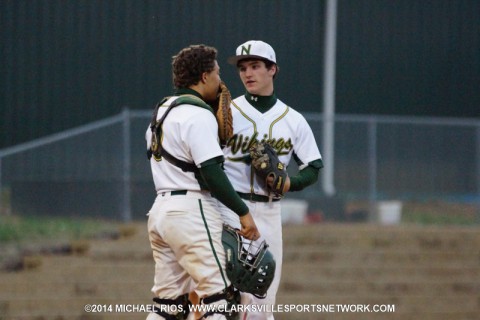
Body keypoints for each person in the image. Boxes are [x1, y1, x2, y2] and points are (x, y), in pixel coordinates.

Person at [145, 44, 260, 320]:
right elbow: (212, 173)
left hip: (160, 212)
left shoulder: (160, 114)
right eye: (218, 73)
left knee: (167, 305)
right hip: (190, 211)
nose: (221, 80)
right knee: (222, 299)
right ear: (205, 76)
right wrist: (243, 212)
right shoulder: (198, 115)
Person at [219, 40, 324, 320]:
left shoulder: (293, 120)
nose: (247, 73)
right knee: (224, 300)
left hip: (268, 211)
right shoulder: (226, 113)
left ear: (272, 69)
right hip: (230, 209)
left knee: (263, 305)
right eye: (242, 68)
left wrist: (290, 183)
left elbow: (313, 166)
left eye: (255, 66)